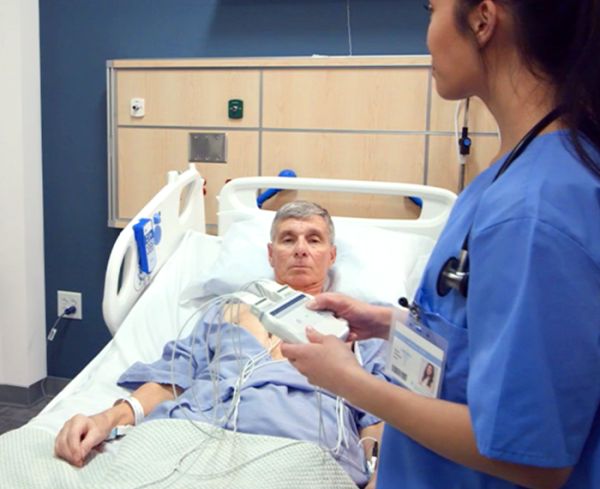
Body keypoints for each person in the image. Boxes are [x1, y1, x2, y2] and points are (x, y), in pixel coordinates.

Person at [280, 1, 600, 488]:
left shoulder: (535, 210)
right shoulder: (513, 172)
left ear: (482, 19)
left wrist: (350, 382)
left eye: (430, 10)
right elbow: (495, 334)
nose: (427, 34)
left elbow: (534, 458)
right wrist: (390, 322)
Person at [55, 201, 385, 488]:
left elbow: (377, 412)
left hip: (297, 446)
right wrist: (105, 420)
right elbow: (175, 379)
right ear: (271, 254)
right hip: (192, 436)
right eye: (288, 239)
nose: (301, 248)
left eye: (313, 239)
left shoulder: (357, 327)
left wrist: (376, 474)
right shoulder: (227, 309)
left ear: (332, 255)